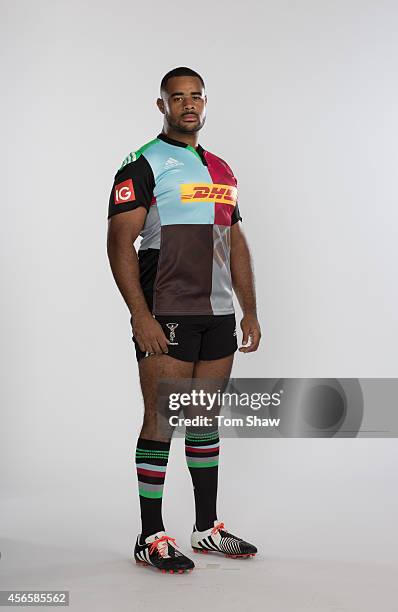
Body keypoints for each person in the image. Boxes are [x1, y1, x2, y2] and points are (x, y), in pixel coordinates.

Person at [107, 67, 261, 574]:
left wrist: (249, 309)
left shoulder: (220, 168)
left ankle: (206, 529)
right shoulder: (143, 164)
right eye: (178, 98)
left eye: (195, 96)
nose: (188, 105)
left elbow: (234, 242)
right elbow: (119, 241)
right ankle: (149, 534)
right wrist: (140, 315)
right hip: (166, 311)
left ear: (205, 102)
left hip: (217, 315)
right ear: (162, 106)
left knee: (202, 421)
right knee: (161, 420)